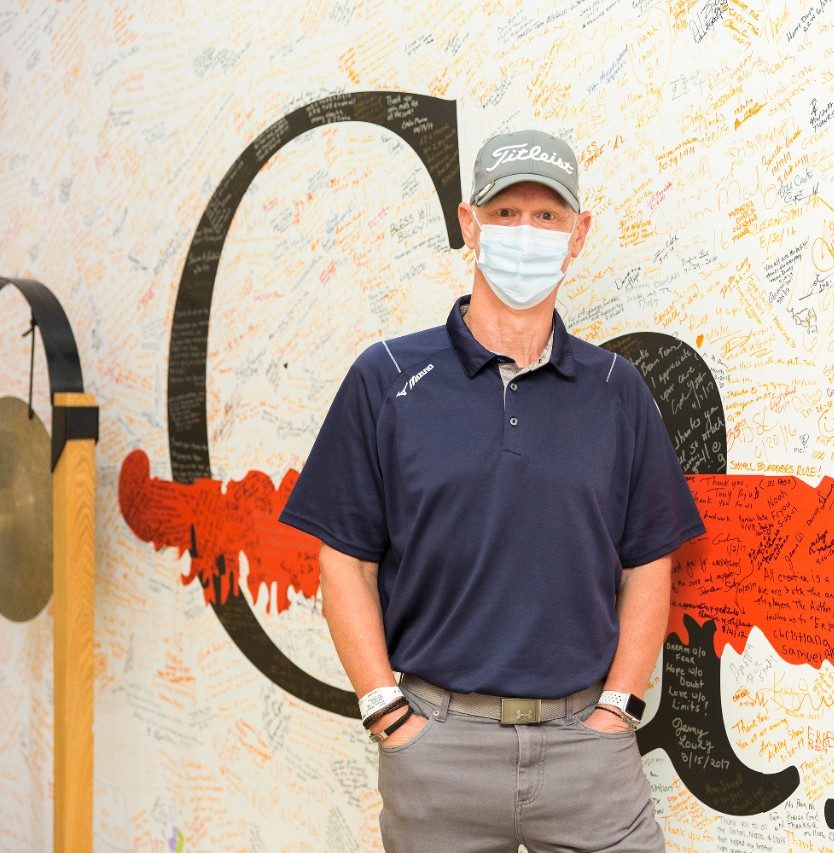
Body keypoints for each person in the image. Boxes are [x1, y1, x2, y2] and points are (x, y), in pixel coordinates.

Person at [277, 128, 706, 852]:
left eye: (548, 216)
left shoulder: (616, 390)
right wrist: (389, 713)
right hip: (439, 748)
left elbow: (648, 561)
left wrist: (620, 707)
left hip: (586, 751)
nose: (526, 233)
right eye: (506, 214)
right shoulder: (385, 379)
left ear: (579, 234)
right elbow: (344, 561)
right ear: (468, 223)